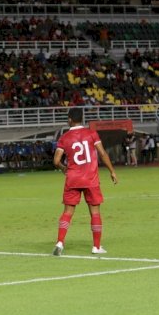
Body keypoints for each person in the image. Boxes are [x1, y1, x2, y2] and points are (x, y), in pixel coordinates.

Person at [52, 108, 118, 256]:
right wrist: (112, 171)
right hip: (91, 178)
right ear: (82, 119)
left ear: (69, 119)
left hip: (73, 178)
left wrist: (63, 168)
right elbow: (102, 153)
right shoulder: (91, 134)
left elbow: (56, 161)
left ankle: (60, 242)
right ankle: (96, 246)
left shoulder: (64, 138)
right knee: (95, 212)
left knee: (67, 212)